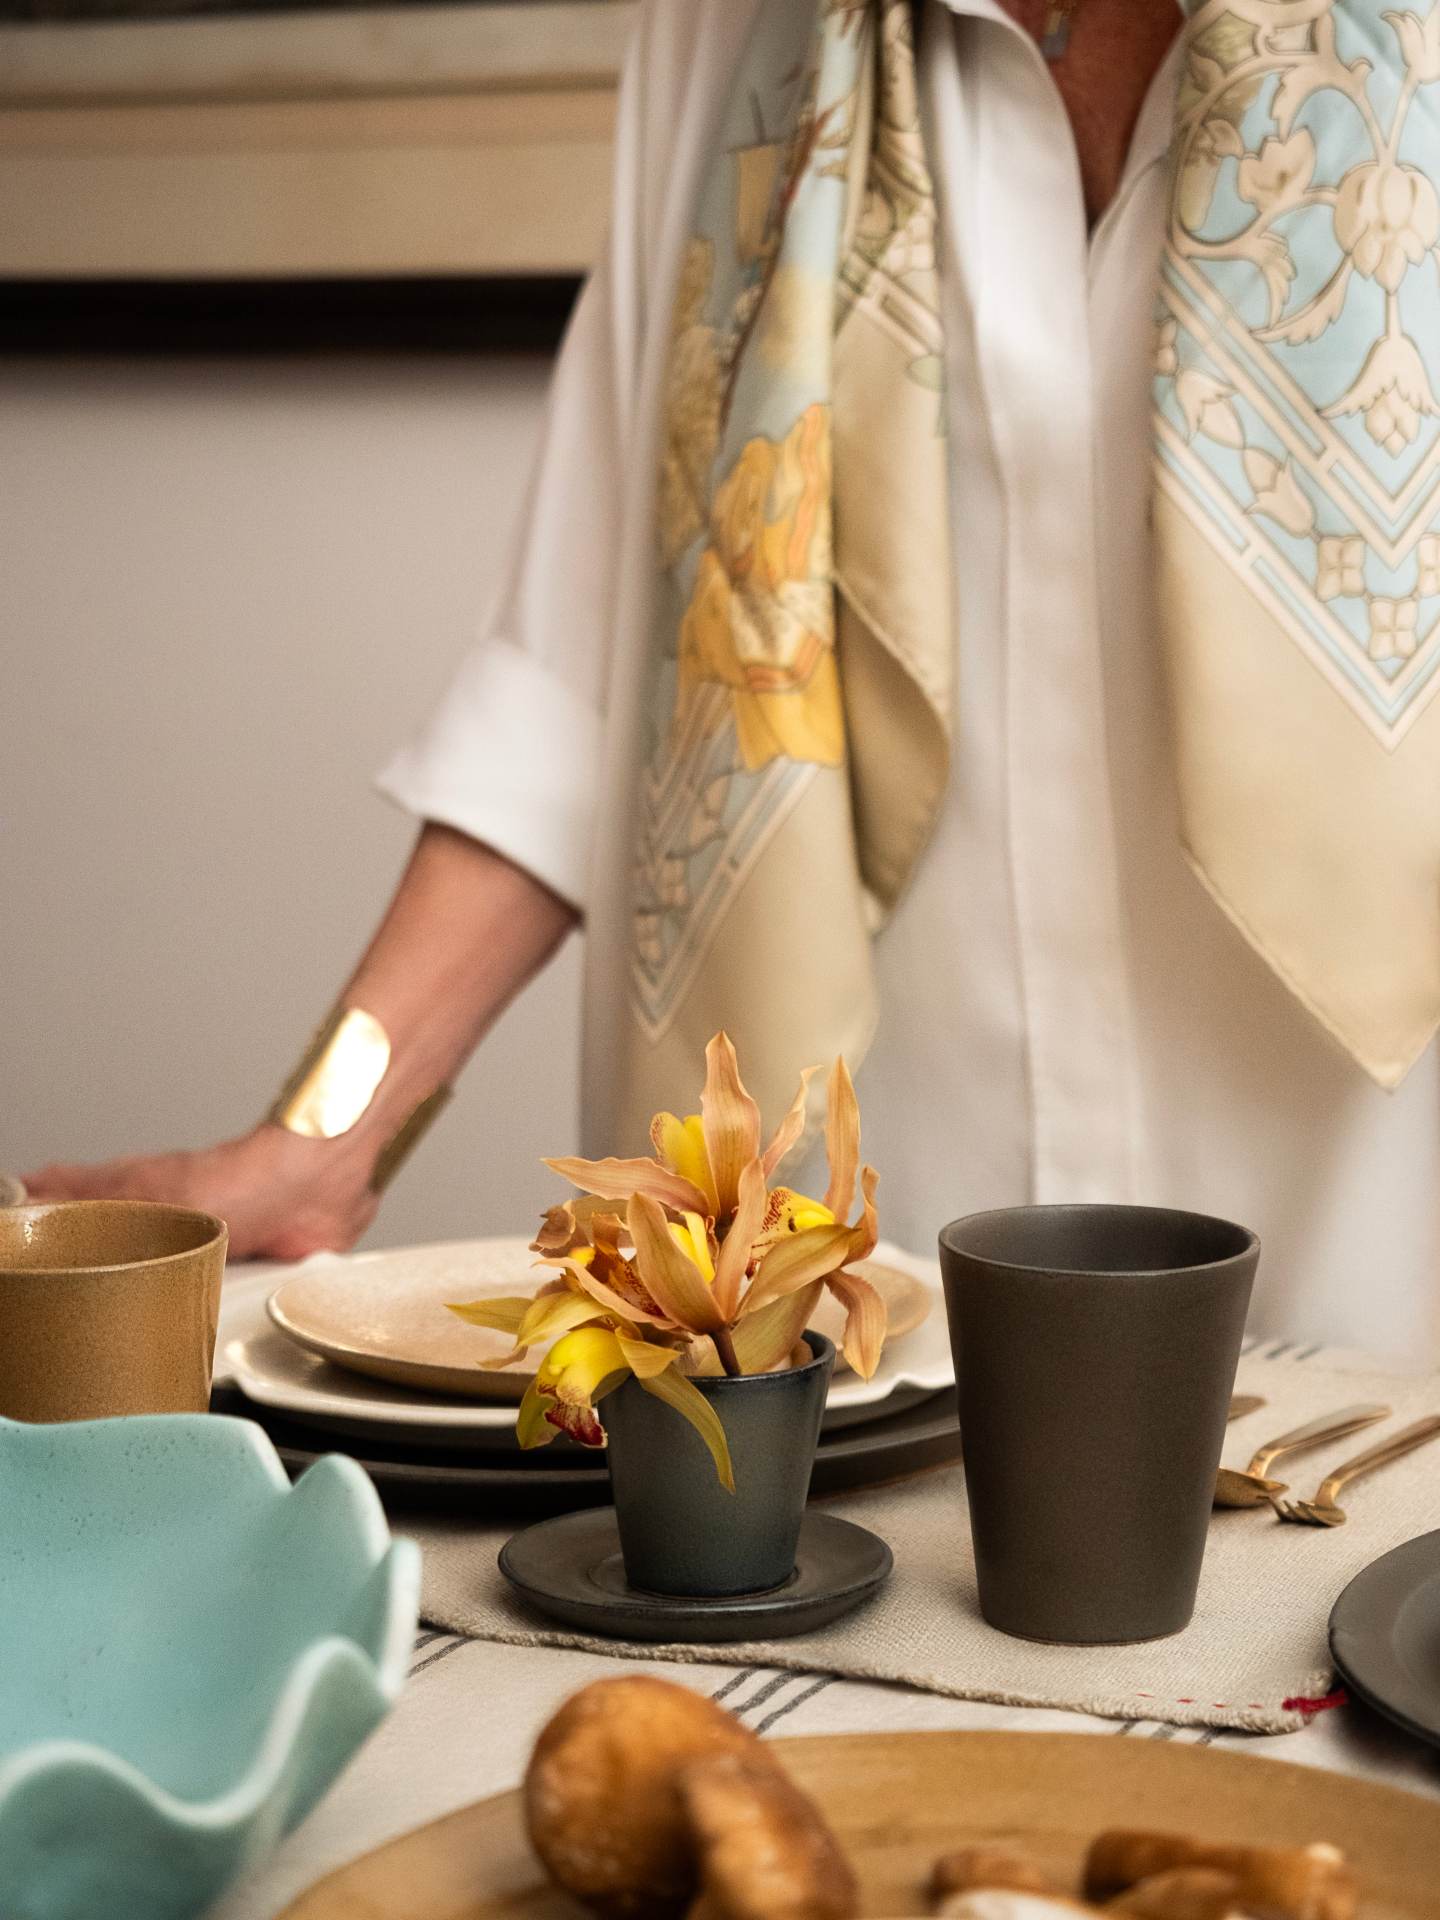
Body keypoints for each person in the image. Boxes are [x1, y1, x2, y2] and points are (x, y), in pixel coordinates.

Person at [28, 0, 1440, 1363]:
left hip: (1376, 1277)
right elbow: (583, 688)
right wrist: (321, 1136)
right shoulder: (725, 32)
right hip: (857, 1311)